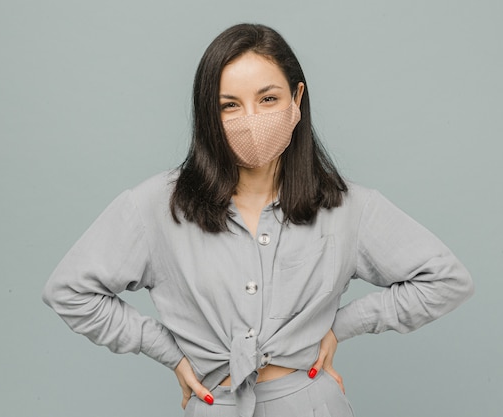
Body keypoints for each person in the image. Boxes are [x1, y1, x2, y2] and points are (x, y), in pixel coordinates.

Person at [42, 23, 474, 417]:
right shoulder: (156, 206)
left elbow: (446, 280)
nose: (251, 120)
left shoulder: (348, 207)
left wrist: (343, 326)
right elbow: (70, 291)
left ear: (296, 101)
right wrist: (168, 351)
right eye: (229, 105)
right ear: (209, 117)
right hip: (216, 406)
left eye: (268, 99)